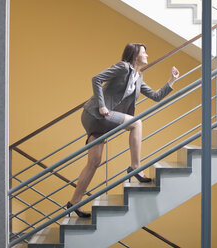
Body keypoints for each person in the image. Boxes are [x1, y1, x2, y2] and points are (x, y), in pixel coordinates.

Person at [67, 43, 180, 218]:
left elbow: (156, 96)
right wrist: (102, 105)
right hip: (94, 113)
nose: (147, 55)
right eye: (144, 52)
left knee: (94, 162)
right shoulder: (122, 67)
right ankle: (135, 167)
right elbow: (96, 79)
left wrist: (171, 80)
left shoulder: (138, 77)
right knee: (137, 123)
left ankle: (74, 202)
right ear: (135, 55)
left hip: (102, 119)